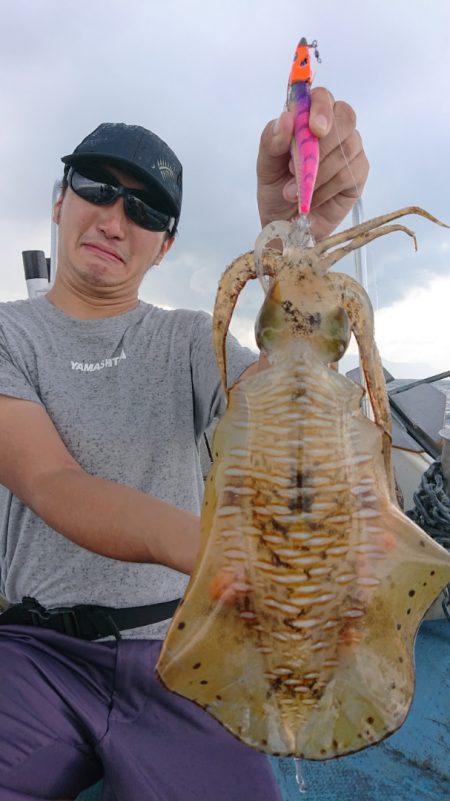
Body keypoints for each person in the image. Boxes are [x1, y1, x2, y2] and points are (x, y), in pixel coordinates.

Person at [0, 89, 368, 801]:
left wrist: (292, 251)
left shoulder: (194, 340)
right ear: (58, 199)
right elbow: (50, 481)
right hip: (36, 650)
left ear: (165, 245)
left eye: (145, 210)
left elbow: (289, 403)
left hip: (185, 648)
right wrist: (224, 553)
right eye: (96, 187)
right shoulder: (9, 334)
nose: (115, 219)